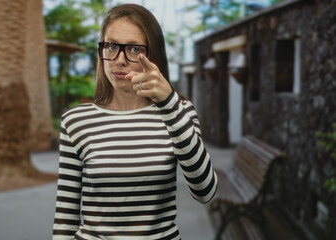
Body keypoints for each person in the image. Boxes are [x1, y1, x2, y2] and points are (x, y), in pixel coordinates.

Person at [52, 4, 217, 240]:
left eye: (133, 48)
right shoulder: (75, 120)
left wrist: (169, 103)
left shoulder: (180, 112)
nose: (119, 60)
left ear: (154, 55)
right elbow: (65, 216)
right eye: (111, 46)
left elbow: (205, 192)